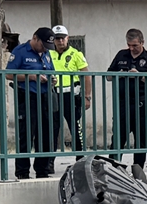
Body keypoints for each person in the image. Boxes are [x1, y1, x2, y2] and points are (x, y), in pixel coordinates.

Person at [6, 27, 57, 179]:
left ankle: (42, 170)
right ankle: (22, 172)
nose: (44, 49)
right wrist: (32, 77)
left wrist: (52, 79)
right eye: (42, 45)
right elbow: (9, 74)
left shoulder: (46, 53)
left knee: (46, 135)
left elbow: (51, 70)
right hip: (28, 97)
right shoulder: (20, 51)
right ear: (35, 38)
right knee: (27, 135)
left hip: (45, 97)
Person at [107, 29, 147, 168]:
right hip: (123, 103)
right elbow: (108, 76)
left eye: (135, 45)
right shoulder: (121, 55)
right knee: (118, 138)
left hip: (142, 103)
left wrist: (141, 76)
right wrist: (120, 74)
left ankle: (138, 170)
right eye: (129, 45)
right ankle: (113, 169)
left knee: (141, 140)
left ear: (142, 42)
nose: (131, 48)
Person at [49, 25, 91, 157]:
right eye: (57, 38)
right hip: (54, 94)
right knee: (52, 129)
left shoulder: (76, 54)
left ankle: (80, 158)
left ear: (67, 38)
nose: (60, 41)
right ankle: (49, 162)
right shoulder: (48, 54)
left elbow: (86, 76)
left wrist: (87, 96)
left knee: (76, 127)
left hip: (71, 95)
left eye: (62, 38)